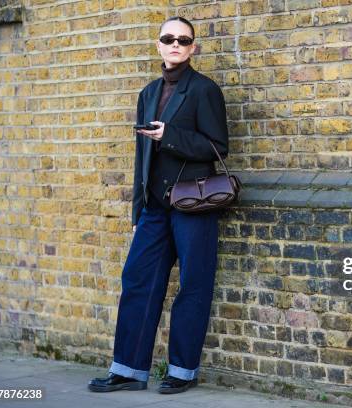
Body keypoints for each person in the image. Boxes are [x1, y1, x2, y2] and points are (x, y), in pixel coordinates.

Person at [88, 16, 228, 394]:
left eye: (184, 40)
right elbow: (141, 158)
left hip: (192, 204)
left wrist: (171, 136)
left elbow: (218, 147)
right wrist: (137, 211)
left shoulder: (204, 90)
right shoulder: (148, 93)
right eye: (169, 38)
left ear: (193, 47)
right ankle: (129, 370)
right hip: (154, 206)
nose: (176, 44)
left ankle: (182, 371)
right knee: (137, 280)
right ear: (158, 44)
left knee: (192, 286)